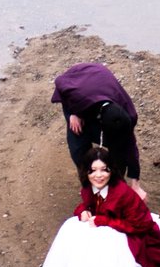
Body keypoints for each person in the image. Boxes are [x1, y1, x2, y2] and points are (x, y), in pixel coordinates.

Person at [51, 62, 146, 198]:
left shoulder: (128, 116)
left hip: (103, 94)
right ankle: (88, 185)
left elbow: (130, 148)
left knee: (120, 150)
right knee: (78, 149)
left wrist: (136, 183)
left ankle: (116, 185)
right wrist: (72, 113)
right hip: (82, 94)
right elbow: (60, 82)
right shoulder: (78, 97)